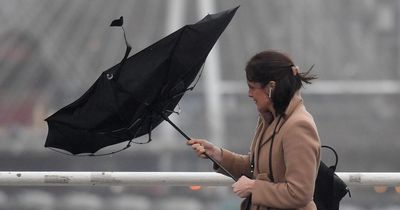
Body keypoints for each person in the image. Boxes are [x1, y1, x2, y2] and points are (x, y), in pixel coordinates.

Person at [187, 50, 321, 210]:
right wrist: (218, 155)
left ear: (271, 87)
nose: (249, 94)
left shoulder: (298, 126)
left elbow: (299, 193)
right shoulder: (269, 120)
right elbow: (255, 168)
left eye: (252, 87)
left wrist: (253, 188)